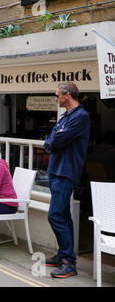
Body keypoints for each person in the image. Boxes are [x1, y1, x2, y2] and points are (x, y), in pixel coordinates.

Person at [43, 82, 90, 278]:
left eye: (57, 95)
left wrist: (53, 140)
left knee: (54, 215)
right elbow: (50, 141)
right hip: (56, 171)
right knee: (63, 215)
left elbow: (56, 141)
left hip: (66, 172)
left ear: (67, 95)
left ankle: (69, 262)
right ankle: (63, 254)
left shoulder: (80, 117)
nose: (56, 98)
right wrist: (53, 140)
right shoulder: (66, 117)